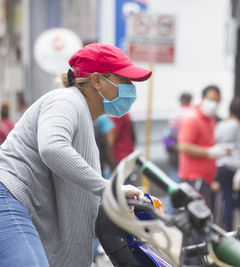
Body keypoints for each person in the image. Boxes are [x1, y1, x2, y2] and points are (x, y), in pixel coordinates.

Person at [0, 42, 151, 267]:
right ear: (97, 80)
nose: (131, 88)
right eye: (124, 80)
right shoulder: (65, 100)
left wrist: (110, 201)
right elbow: (52, 147)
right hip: (9, 196)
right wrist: (107, 188)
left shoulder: (82, 115)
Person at [177, 85, 230, 209]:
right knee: (196, 220)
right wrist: (209, 152)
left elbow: (207, 144)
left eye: (217, 101)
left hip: (206, 181)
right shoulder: (192, 119)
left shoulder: (210, 120)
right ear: (202, 98)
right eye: (211, 100)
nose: (214, 104)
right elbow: (183, 147)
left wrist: (220, 151)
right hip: (194, 179)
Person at [214, 96, 240, 231]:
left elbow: (217, 142)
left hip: (226, 167)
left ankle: (228, 230)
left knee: (227, 200)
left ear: (230, 110)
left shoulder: (222, 126)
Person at [163, 91, 193, 183]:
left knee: (174, 181)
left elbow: (167, 136)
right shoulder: (193, 112)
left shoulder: (175, 113)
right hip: (189, 151)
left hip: (175, 152)